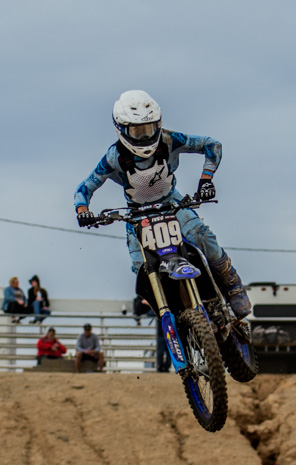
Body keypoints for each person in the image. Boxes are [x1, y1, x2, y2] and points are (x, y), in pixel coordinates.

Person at [74, 90, 251, 320]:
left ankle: (233, 285)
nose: (146, 136)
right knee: (141, 268)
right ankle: (168, 309)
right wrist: (83, 211)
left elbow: (211, 145)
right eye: (138, 131)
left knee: (201, 236)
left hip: (172, 204)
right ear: (121, 129)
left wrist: (206, 179)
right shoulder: (113, 157)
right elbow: (84, 188)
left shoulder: (169, 140)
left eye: (150, 128)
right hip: (137, 216)